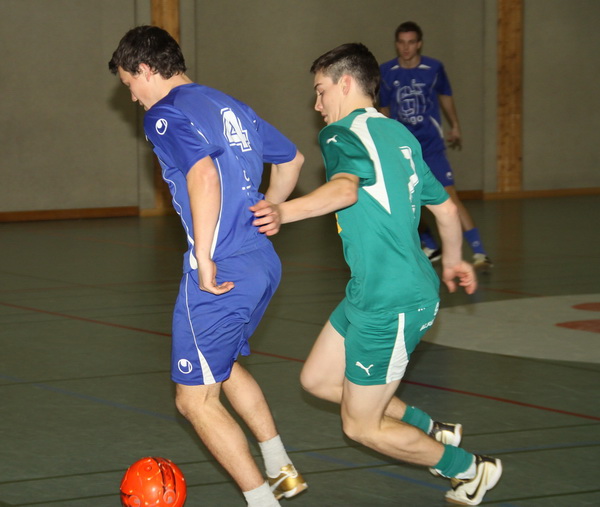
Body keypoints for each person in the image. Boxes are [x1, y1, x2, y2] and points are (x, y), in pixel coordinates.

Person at [251, 43, 502, 505]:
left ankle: (470, 468)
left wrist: (282, 212)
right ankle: (433, 429)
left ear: (346, 84)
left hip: (393, 301)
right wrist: (452, 258)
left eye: (321, 91)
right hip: (370, 291)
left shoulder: (340, 134)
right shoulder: (398, 134)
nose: (317, 104)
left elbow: (345, 191)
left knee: (360, 426)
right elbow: (446, 209)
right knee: (318, 380)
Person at [108, 26, 307, 507]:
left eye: (129, 83)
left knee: (194, 399)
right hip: (261, 261)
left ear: (145, 70)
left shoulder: (163, 114)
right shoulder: (229, 105)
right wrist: (269, 211)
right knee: (223, 366)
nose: (131, 96)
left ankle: (262, 501)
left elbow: (203, 175)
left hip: (224, 265)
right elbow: (294, 160)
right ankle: (280, 467)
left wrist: (203, 257)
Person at [379, 21, 493, 269]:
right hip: (403, 149)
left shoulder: (434, 68)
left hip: (431, 147)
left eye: (411, 42)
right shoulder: (386, 71)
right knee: (406, 201)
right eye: (401, 42)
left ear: (419, 44)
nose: (406, 48)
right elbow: (384, 108)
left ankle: (479, 252)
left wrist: (455, 125)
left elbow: (446, 97)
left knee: (450, 198)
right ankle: (430, 244)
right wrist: (385, 139)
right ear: (396, 44)